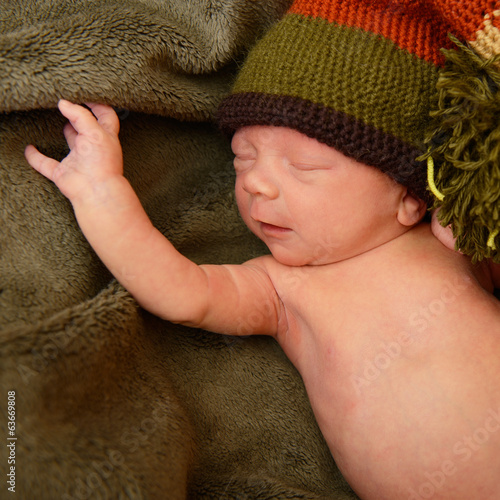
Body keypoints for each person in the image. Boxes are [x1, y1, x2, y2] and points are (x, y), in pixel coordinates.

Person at [24, 0, 500, 499]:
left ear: (408, 196)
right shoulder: (281, 288)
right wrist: (100, 191)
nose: (256, 185)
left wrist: (469, 222)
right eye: (241, 159)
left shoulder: (452, 242)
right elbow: (179, 290)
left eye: (303, 166)